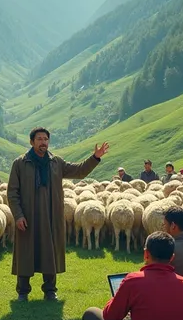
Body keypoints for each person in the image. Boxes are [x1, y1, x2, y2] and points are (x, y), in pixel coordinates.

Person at [8, 127, 109, 301]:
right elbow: (12, 192)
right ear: (32, 142)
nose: (43, 142)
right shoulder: (20, 163)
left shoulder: (56, 162)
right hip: (28, 217)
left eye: (46, 139)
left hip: (51, 216)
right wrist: (18, 215)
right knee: (26, 251)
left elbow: (79, 171)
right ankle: (23, 292)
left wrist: (95, 158)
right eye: (39, 139)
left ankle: (50, 290)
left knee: (50, 251)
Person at [80, 232, 183, 320]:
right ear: (172, 257)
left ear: (146, 254)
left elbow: (110, 316)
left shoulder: (133, 280)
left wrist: (117, 297)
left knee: (90, 314)